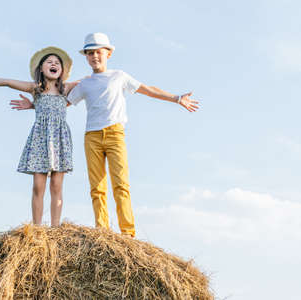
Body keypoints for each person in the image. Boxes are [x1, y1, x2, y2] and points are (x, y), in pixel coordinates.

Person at [11, 33, 199, 237]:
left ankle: (127, 233)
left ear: (108, 53)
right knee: (97, 188)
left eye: (98, 52)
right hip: (91, 136)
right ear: (86, 57)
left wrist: (176, 98)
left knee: (120, 184)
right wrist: (33, 106)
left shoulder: (119, 76)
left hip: (115, 133)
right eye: (90, 53)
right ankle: (103, 230)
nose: (94, 57)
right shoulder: (85, 84)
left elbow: (147, 90)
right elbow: (58, 104)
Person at [0, 46, 78, 227]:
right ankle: (37, 228)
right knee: (38, 185)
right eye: (49, 62)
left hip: (59, 140)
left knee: (56, 185)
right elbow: (8, 82)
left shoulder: (67, 89)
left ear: (62, 70)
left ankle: (56, 229)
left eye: (57, 63)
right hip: (40, 139)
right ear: (41, 69)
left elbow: (92, 81)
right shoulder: (36, 89)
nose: (54, 64)